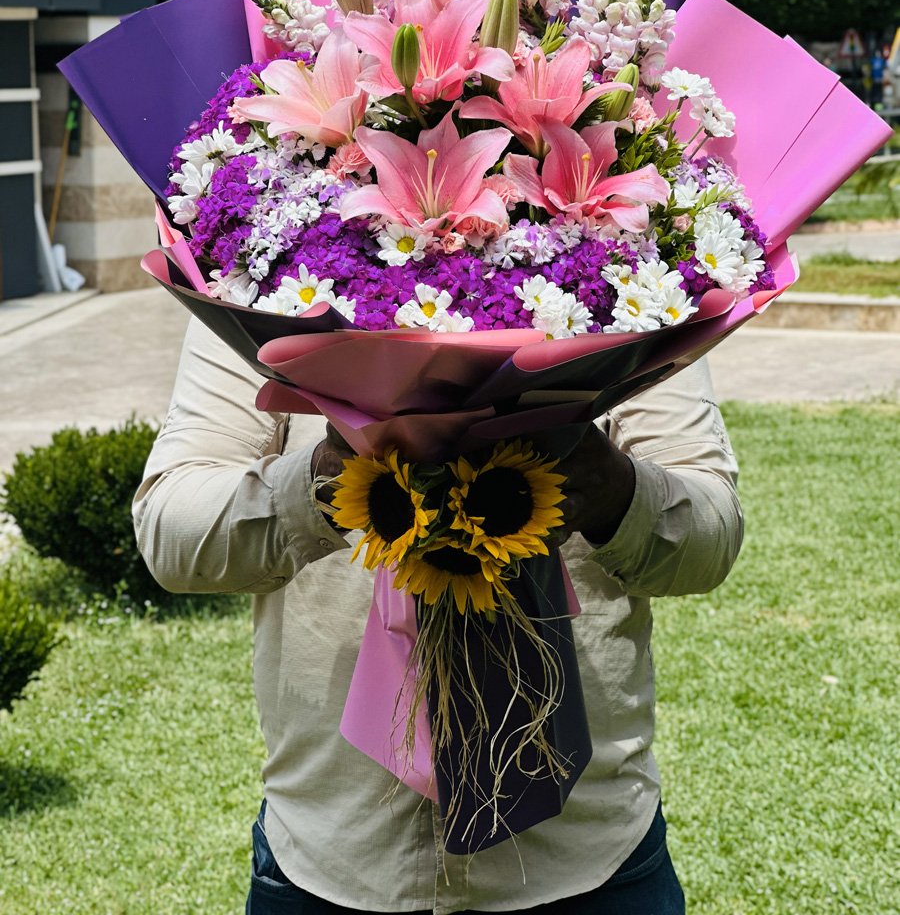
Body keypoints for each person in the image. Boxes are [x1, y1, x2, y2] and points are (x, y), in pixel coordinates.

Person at [134, 317, 743, 915]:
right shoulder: (263, 277)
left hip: (589, 857)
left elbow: (709, 538)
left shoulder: (626, 269)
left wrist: (612, 489)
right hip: (333, 855)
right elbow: (173, 533)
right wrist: (333, 481)